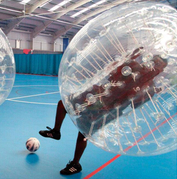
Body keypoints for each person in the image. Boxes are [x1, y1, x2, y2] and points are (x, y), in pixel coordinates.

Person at [39, 47, 168, 175]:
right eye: (155, 62)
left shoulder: (150, 88)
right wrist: (130, 57)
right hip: (98, 92)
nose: (155, 66)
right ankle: (56, 131)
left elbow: (134, 105)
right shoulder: (133, 65)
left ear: (160, 71)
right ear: (149, 60)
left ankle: (75, 164)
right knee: (63, 104)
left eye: (159, 66)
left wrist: (148, 94)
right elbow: (112, 73)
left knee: (83, 133)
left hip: (109, 109)